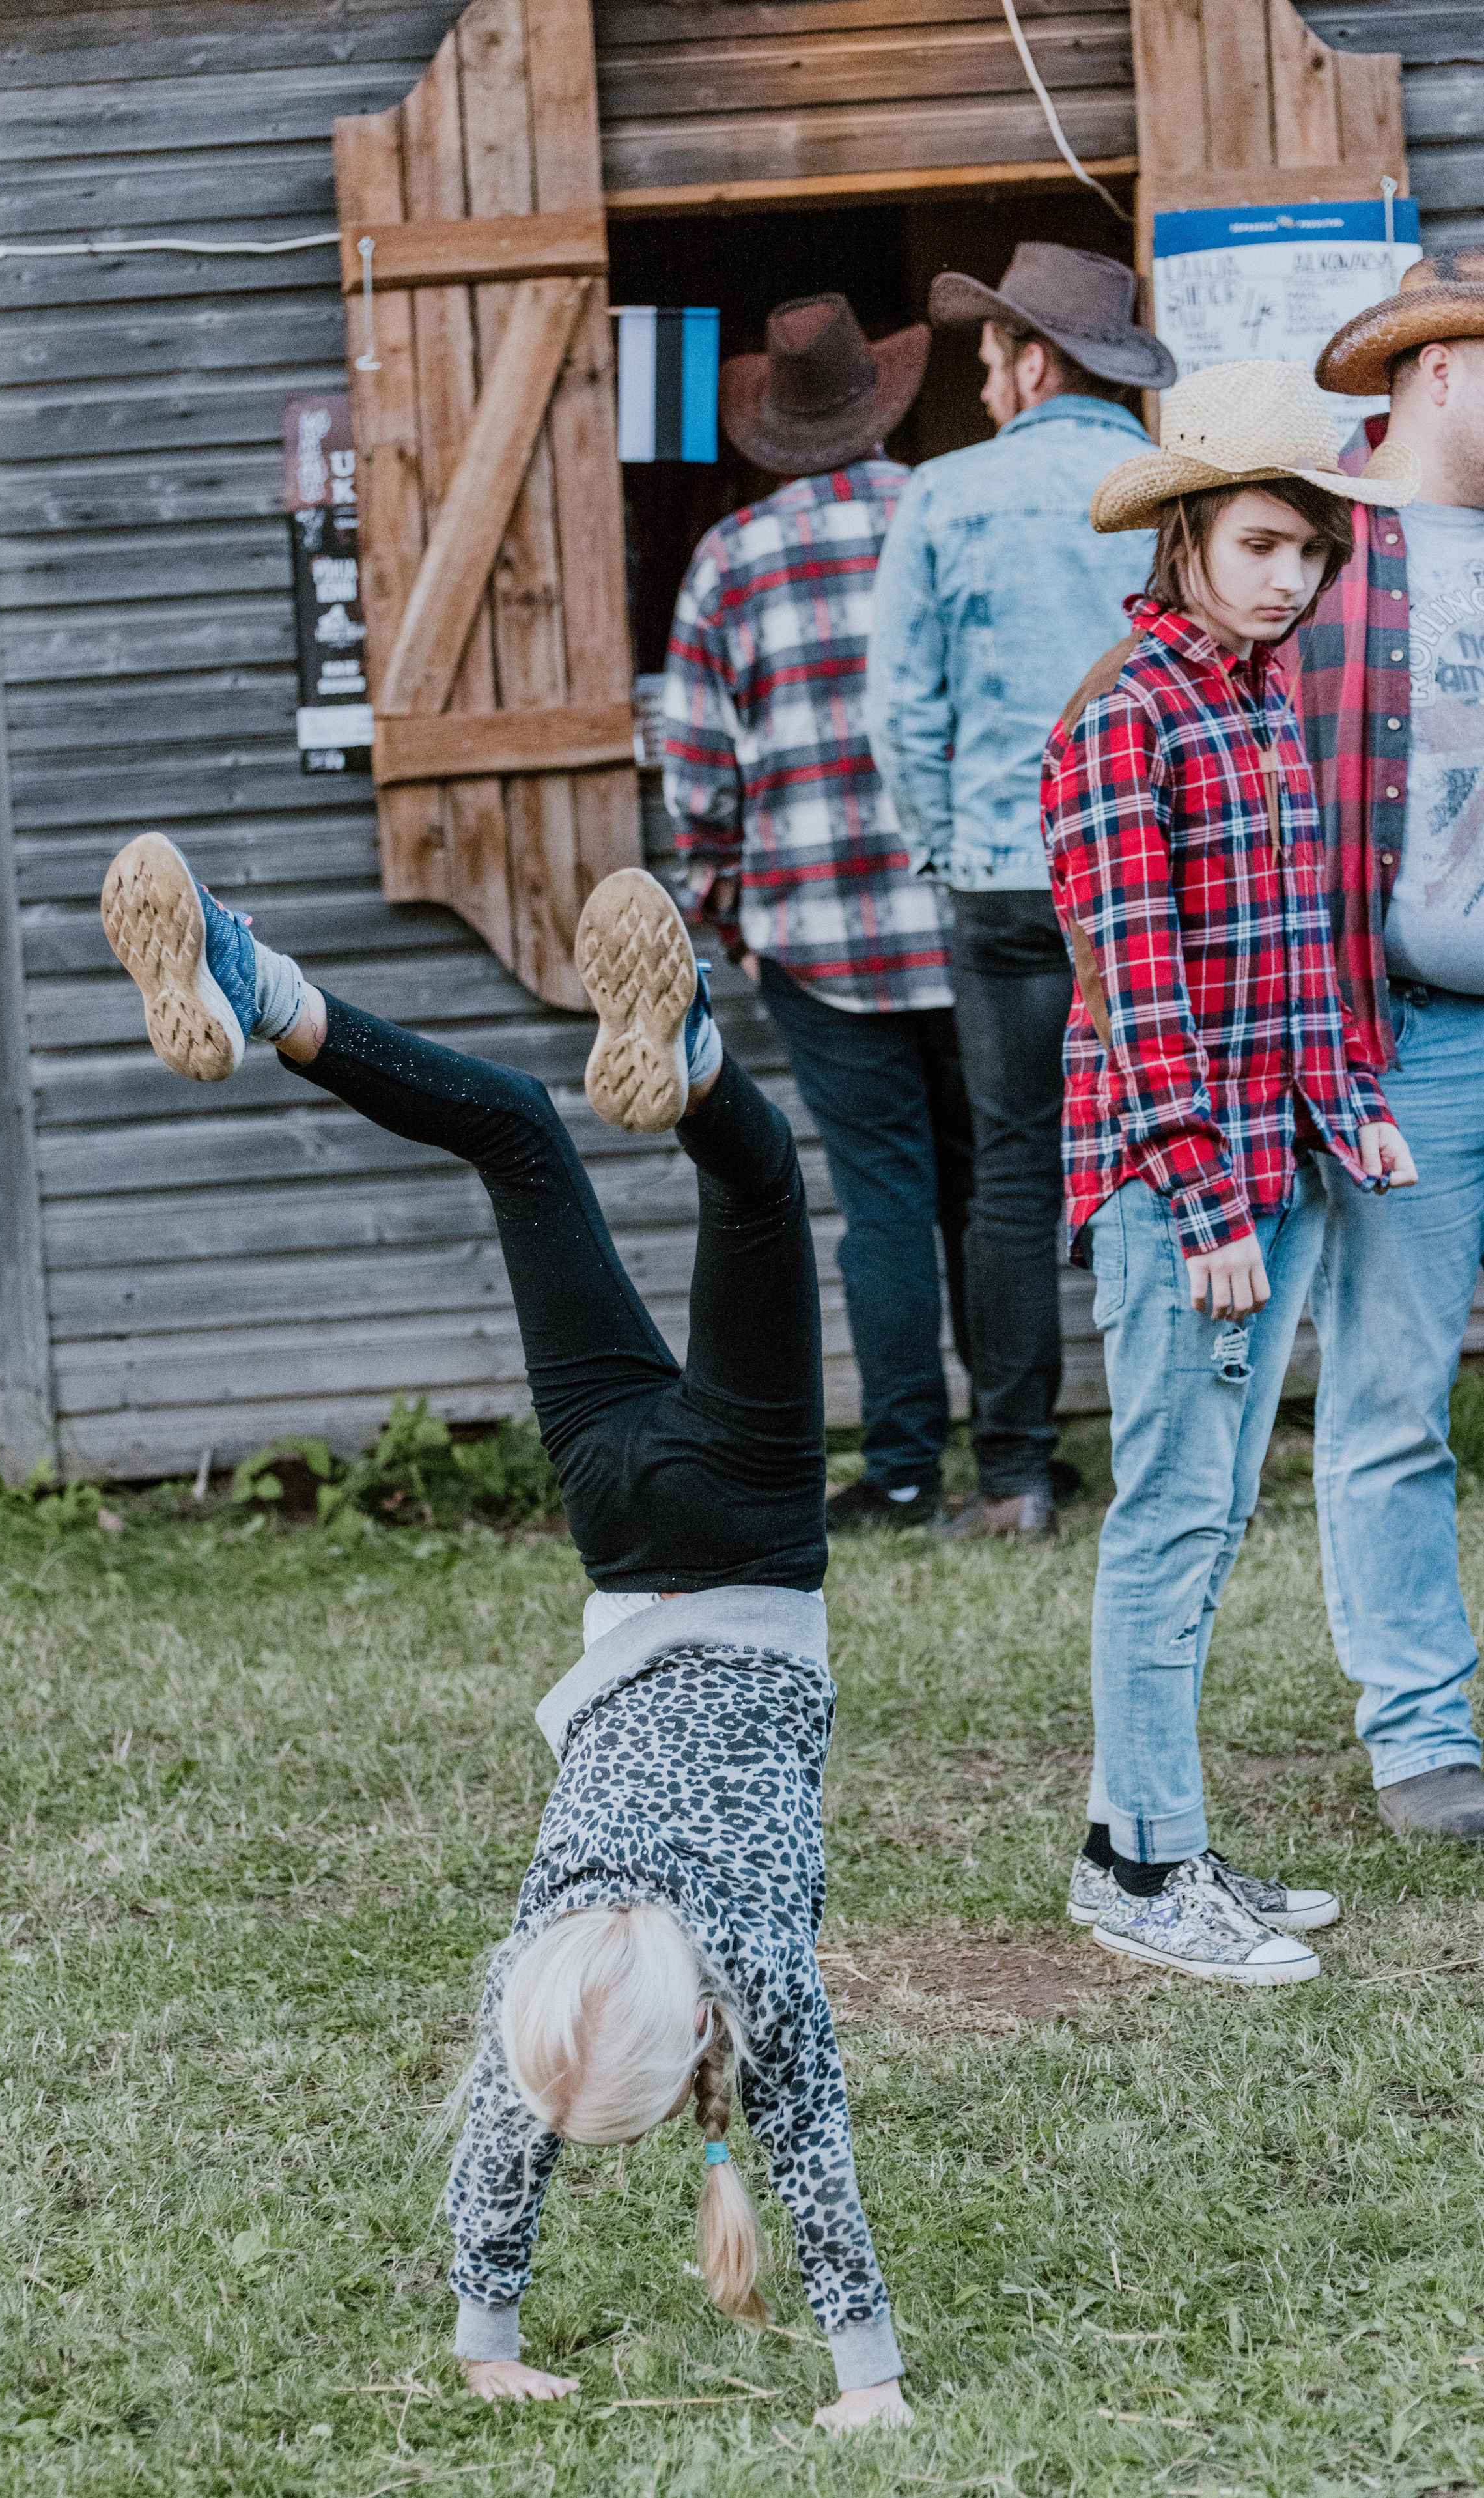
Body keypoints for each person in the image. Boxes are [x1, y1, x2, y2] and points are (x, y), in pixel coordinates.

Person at [100, 837, 910, 2434]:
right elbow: (508, 2113)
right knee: (519, 1139)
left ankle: (687, 1063)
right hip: (614, 1517)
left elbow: (802, 2150)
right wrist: (478, 2326)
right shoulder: (538, 1944)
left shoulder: (734, 1975)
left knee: (755, 1186)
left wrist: (867, 2377)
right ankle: (253, 980)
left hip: (745, 1532)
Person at [1043, 361, 1419, 1984]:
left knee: (1204, 1521)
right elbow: (1136, 984)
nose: (1291, 579)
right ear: (1186, 530)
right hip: (1178, 1191)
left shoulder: (1252, 696)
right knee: (1173, 1515)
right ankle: (1140, 1867)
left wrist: (1349, 1105)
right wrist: (1202, 1203)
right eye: (1264, 544)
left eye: (1313, 555)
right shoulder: (1121, 715)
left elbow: (1284, 957)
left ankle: (1151, 1828)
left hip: (1271, 1165)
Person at [867, 244, 1175, 1542]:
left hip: (1006, 878)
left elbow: (898, 716)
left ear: (1031, 361)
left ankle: (1014, 1479)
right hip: (1148, 883)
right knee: (1164, 1154)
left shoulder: (942, 497)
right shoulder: (1170, 500)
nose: (983, 388)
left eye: (990, 363)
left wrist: (953, 848)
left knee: (1011, 1173)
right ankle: (1173, 1454)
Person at [664, 292, 974, 1537]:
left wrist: (729, 906)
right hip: (972, 917)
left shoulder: (730, 560)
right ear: (881, 399)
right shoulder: (945, 514)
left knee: (884, 1200)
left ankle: (905, 1469)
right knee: (990, 1188)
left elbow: (697, 772)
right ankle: (1020, 1457)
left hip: (817, 936)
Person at [1293, 253, 1484, 1841]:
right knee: (1390, 1390)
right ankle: (1421, 1728)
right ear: (1436, 369)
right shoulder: (1313, 556)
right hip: (1398, 1037)